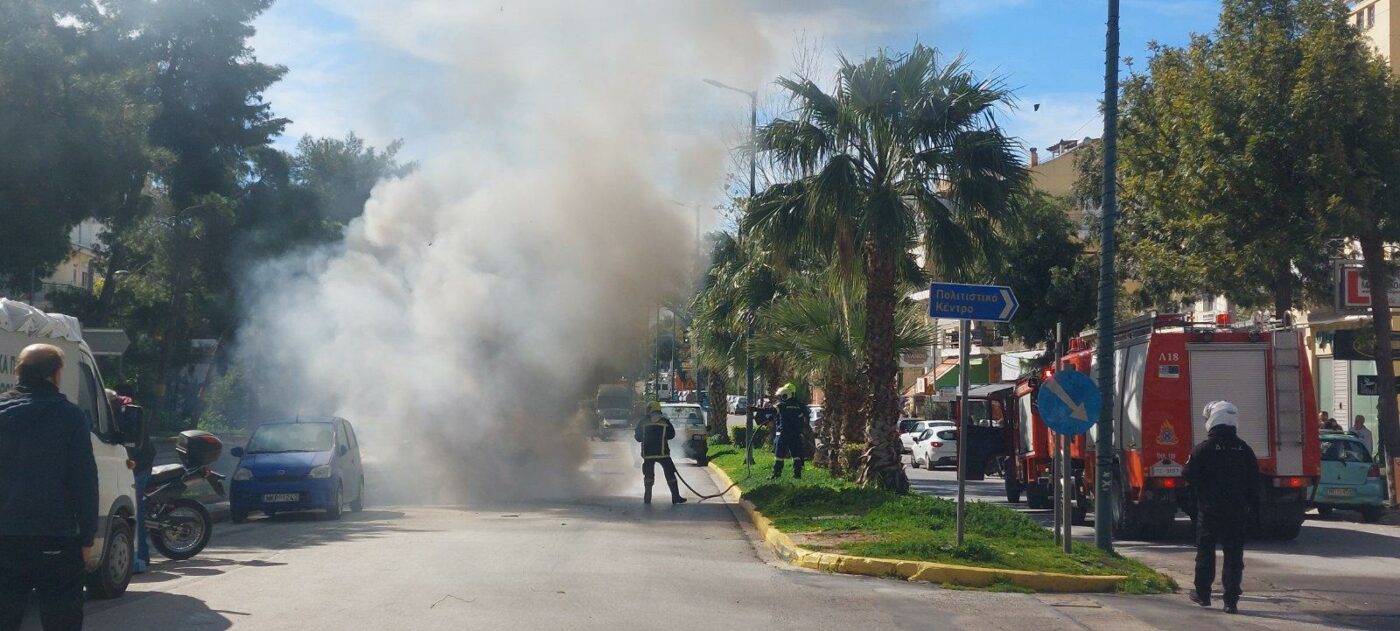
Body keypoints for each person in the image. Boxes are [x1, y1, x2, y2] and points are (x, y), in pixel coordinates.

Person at [0, 344, 98, 631]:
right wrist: (87, 537)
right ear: (56, 375)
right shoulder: (70, 417)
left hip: (4, 538)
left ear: (19, 373)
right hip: (56, 538)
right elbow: (84, 479)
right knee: (62, 620)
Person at [1183, 400, 1259, 615]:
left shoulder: (1203, 449)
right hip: (1236, 511)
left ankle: (1203, 593)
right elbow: (1255, 482)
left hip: (1209, 510)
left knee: (1205, 551)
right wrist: (1250, 508)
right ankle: (1231, 600)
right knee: (1234, 555)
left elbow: (1187, 475)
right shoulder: (1245, 449)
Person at [110, 389, 152, 574]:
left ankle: (139, 557)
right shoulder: (118, 412)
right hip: (130, 464)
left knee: (135, 510)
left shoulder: (126, 414)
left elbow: (130, 447)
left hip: (138, 466)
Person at [634, 402, 685, 505]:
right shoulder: (665, 422)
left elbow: (638, 438)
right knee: (670, 474)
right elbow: (671, 435)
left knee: (648, 476)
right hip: (663, 454)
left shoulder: (642, 422)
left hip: (648, 454)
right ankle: (676, 497)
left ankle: (647, 498)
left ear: (650, 410)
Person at [770, 383, 810, 480]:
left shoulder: (782, 405)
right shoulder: (800, 405)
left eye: (781, 396)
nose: (780, 398)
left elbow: (770, 411)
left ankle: (777, 474)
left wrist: (754, 409)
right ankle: (797, 474)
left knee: (779, 455)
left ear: (786, 394)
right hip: (796, 434)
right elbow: (807, 416)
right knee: (796, 454)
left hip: (783, 434)